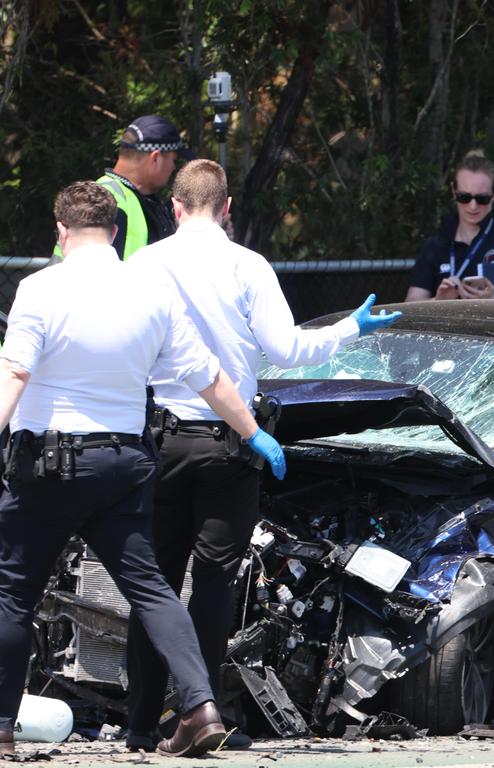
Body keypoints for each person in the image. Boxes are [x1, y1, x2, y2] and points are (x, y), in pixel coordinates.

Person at [0, 181, 286, 758]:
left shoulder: (39, 289)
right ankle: (200, 707)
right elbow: (209, 379)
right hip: (123, 464)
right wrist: (254, 435)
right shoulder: (152, 293)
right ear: (116, 232)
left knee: (12, 595)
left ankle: (3, 723)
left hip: (46, 469)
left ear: (60, 232)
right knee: (153, 592)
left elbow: (15, 375)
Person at [124, 158, 401, 751]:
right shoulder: (248, 266)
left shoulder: (143, 264)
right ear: (227, 208)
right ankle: (202, 713)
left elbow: (125, 349)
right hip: (233, 441)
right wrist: (351, 328)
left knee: (155, 582)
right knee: (215, 584)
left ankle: (141, 723)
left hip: (161, 439)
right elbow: (289, 350)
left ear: (175, 207)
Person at [55, 115, 195, 261]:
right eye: (173, 160)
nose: (173, 167)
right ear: (155, 158)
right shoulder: (104, 204)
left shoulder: (134, 198)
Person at [406, 150, 494, 301]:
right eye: (464, 197)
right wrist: (438, 301)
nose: (473, 206)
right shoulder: (436, 244)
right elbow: (411, 303)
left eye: (482, 198)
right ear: (454, 191)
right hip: (448, 323)